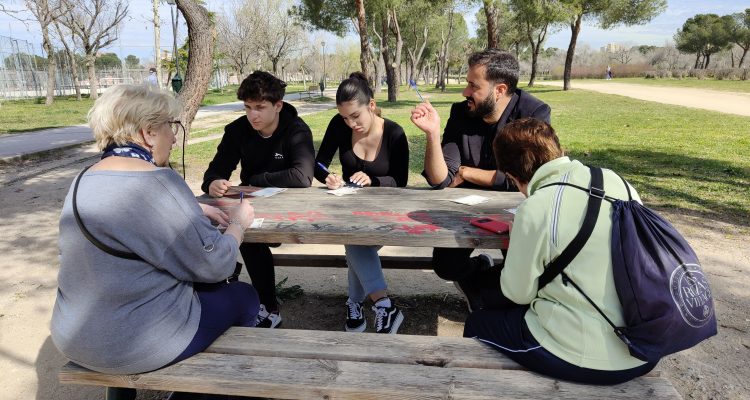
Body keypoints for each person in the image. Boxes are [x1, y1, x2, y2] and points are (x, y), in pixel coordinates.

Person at [51, 85, 260, 380]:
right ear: (149, 132)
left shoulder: (83, 179)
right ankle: (213, 388)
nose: (175, 138)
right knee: (244, 296)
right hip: (137, 345)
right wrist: (239, 222)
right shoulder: (159, 182)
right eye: (170, 127)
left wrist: (193, 209)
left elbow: (122, 218)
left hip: (73, 338)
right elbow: (215, 265)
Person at [463, 117, 658, 384]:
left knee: (478, 323)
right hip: (646, 347)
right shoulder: (617, 181)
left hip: (584, 357)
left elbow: (518, 293)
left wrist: (521, 237)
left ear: (512, 176)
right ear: (558, 150)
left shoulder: (536, 207)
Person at [409, 49, 551, 311]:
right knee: (445, 266)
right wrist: (432, 133)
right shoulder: (461, 113)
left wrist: (467, 173)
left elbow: (530, 180)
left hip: (519, 210)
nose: (465, 92)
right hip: (468, 210)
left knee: (524, 273)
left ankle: (491, 300)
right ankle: (483, 284)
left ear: (499, 90)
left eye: (473, 86)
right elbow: (440, 179)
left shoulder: (533, 113)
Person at [202, 71, 315, 328]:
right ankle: (267, 306)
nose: (253, 114)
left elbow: (302, 176)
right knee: (243, 233)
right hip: (252, 206)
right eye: (248, 107)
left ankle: (260, 301)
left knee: (245, 232)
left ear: (278, 106)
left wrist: (256, 179)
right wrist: (214, 182)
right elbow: (215, 170)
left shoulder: (296, 129)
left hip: (293, 209)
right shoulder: (237, 131)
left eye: (260, 107)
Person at [314, 72, 409, 334]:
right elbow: (317, 163)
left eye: (355, 116)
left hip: (385, 212)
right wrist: (328, 176)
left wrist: (374, 180)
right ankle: (379, 305)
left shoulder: (394, 133)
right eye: (345, 117)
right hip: (349, 208)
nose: (350, 123)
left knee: (355, 241)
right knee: (355, 238)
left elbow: (400, 181)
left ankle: (365, 302)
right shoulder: (338, 125)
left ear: (372, 105)